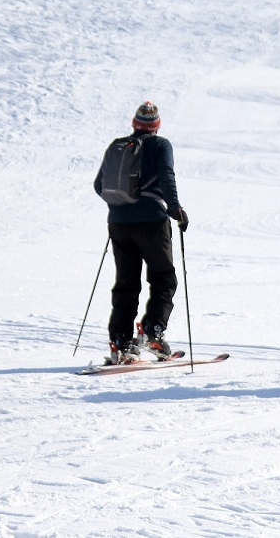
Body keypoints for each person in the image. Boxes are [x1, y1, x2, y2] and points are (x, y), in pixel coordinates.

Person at [93, 101, 189, 364]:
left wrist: (122, 207)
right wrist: (176, 209)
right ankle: (153, 331)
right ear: (156, 126)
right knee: (164, 278)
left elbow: (98, 185)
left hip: (118, 223)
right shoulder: (160, 145)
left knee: (126, 283)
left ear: (135, 124)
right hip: (152, 222)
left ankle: (121, 343)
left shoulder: (118, 146)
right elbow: (167, 176)